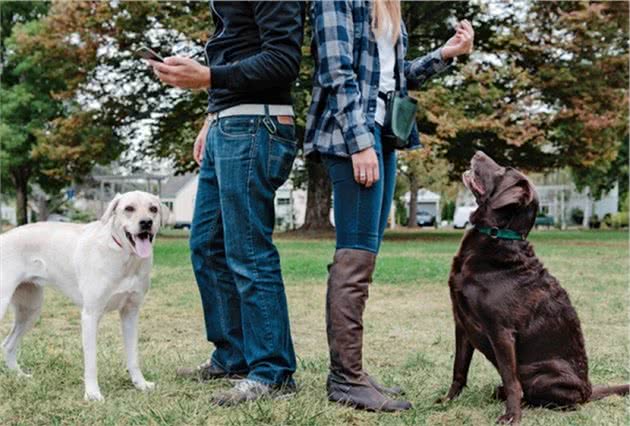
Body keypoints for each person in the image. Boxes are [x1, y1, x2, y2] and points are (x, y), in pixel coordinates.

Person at [305, 0, 474, 412]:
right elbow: (336, 72)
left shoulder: (387, 6)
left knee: (363, 256)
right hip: (353, 138)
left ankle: (351, 372)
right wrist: (359, 142)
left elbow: (396, 77)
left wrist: (445, 55)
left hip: (383, 136)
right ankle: (346, 378)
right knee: (355, 256)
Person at [148, 1, 304, 406]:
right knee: (207, 246)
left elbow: (283, 60)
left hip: (256, 125)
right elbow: (237, 51)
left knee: (248, 251)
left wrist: (207, 77)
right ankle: (233, 356)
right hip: (228, 124)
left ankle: (272, 371)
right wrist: (210, 118)